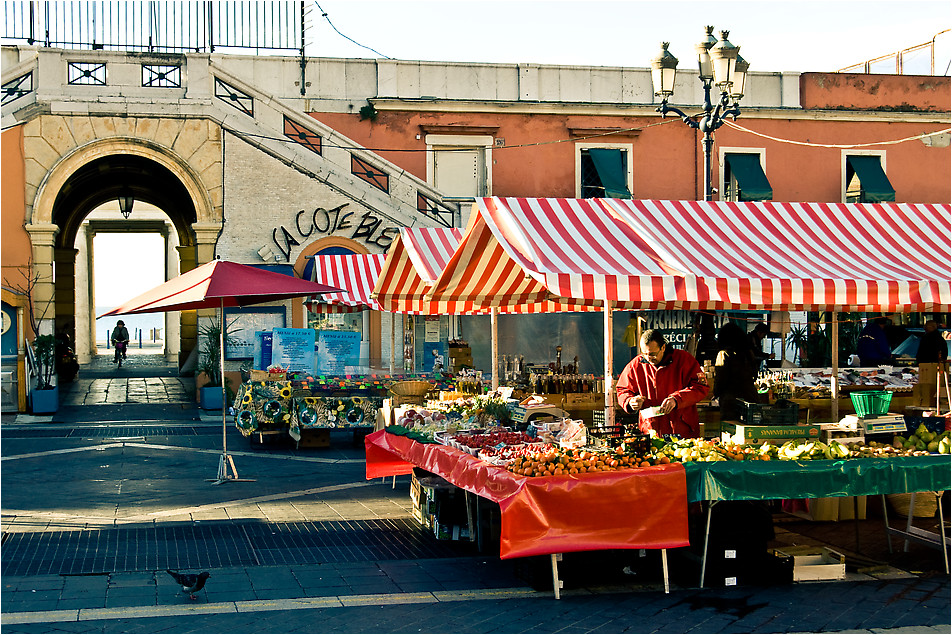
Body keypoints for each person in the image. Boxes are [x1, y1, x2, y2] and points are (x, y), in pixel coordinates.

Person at [615, 329, 709, 438]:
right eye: (644, 354)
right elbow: (622, 390)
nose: (649, 358)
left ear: (663, 348)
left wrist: (677, 399)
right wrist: (630, 401)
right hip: (650, 431)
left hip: (682, 430)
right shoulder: (636, 364)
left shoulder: (684, 359)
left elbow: (701, 387)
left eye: (653, 354)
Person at [712, 322, 759, 422]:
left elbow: (721, 379)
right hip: (751, 398)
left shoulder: (723, 354)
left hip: (731, 403)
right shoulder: (748, 353)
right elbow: (755, 375)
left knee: (731, 433)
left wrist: (716, 394)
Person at [915, 320, 949, 407]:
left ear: (933, 327)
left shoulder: (931, 338)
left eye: (927, 326)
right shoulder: (937, 338)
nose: (924, 328)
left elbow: (922, 352)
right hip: (931, 366)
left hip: (929, 366)